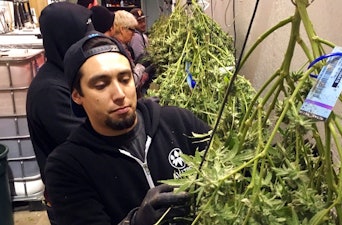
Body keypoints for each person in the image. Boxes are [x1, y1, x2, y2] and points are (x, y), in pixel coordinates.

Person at [44, 32, 211, 225]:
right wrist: (135, 222)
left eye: (125, 79)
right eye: (101, 85)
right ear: (77, 95)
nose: (119, 94)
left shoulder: (179, 121)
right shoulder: (67, 166)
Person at [26, 2, 94, 224]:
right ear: (67, 37)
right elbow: (86, 139)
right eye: (85, 34)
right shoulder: (50, 90)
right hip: (71, 199)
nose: (91, 39)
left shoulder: (66, 74)